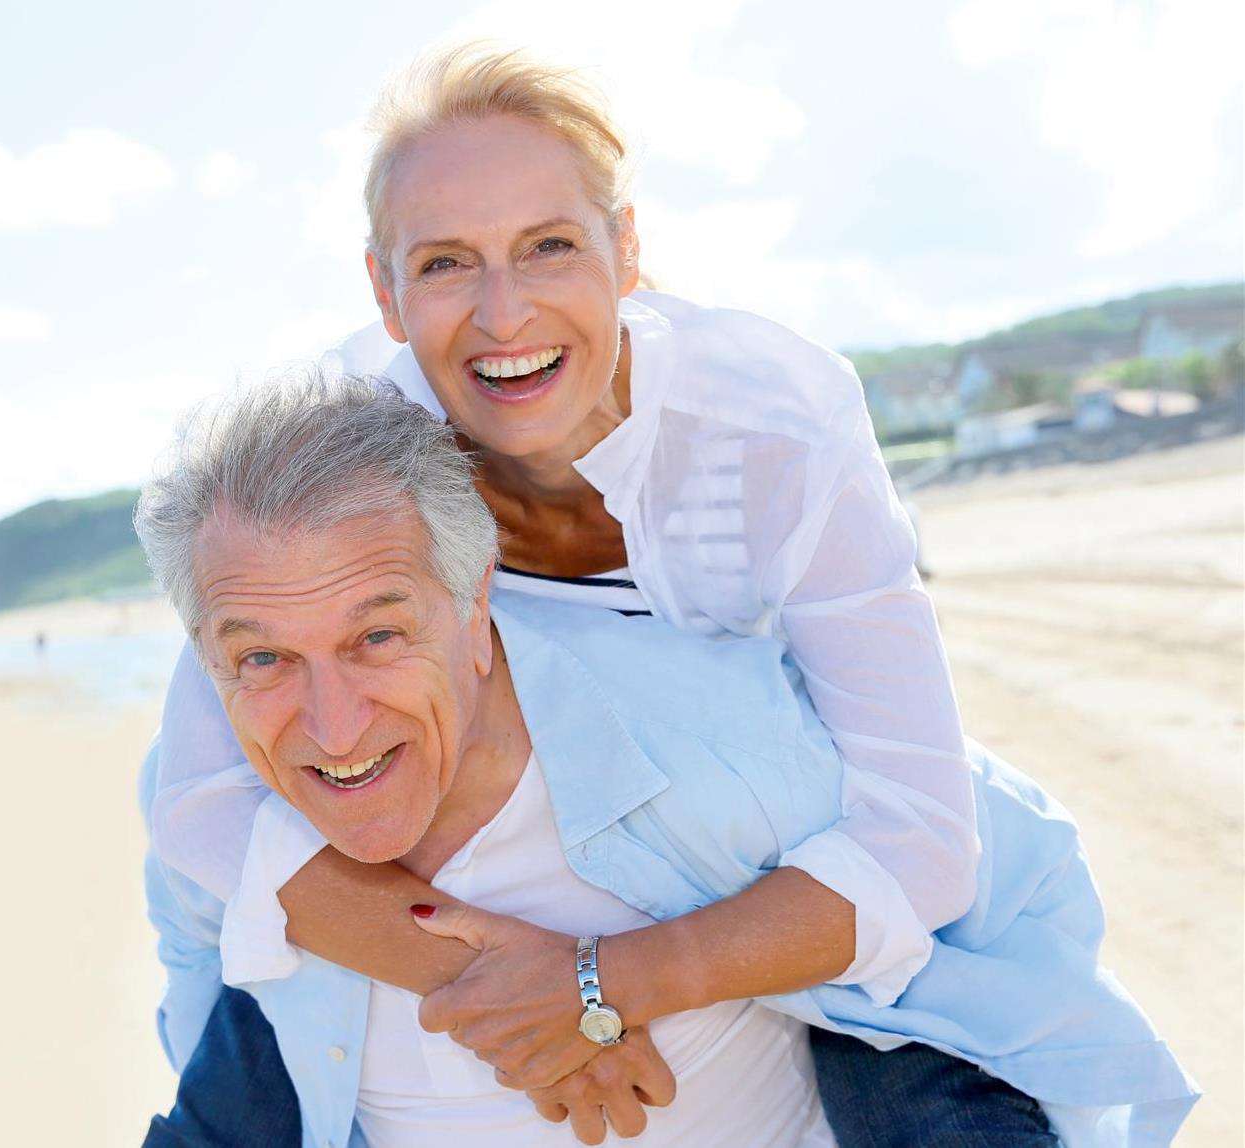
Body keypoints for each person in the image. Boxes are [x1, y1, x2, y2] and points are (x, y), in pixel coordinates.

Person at [135, 374, 1193, 1147]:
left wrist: (598, 983)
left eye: (377, 637)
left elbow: (1001, 848)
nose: (330, 722)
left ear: (474, 612)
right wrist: (485, 984)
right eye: (264, 657)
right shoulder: (226, 840)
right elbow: (204, 1037)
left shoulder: (722, 760)